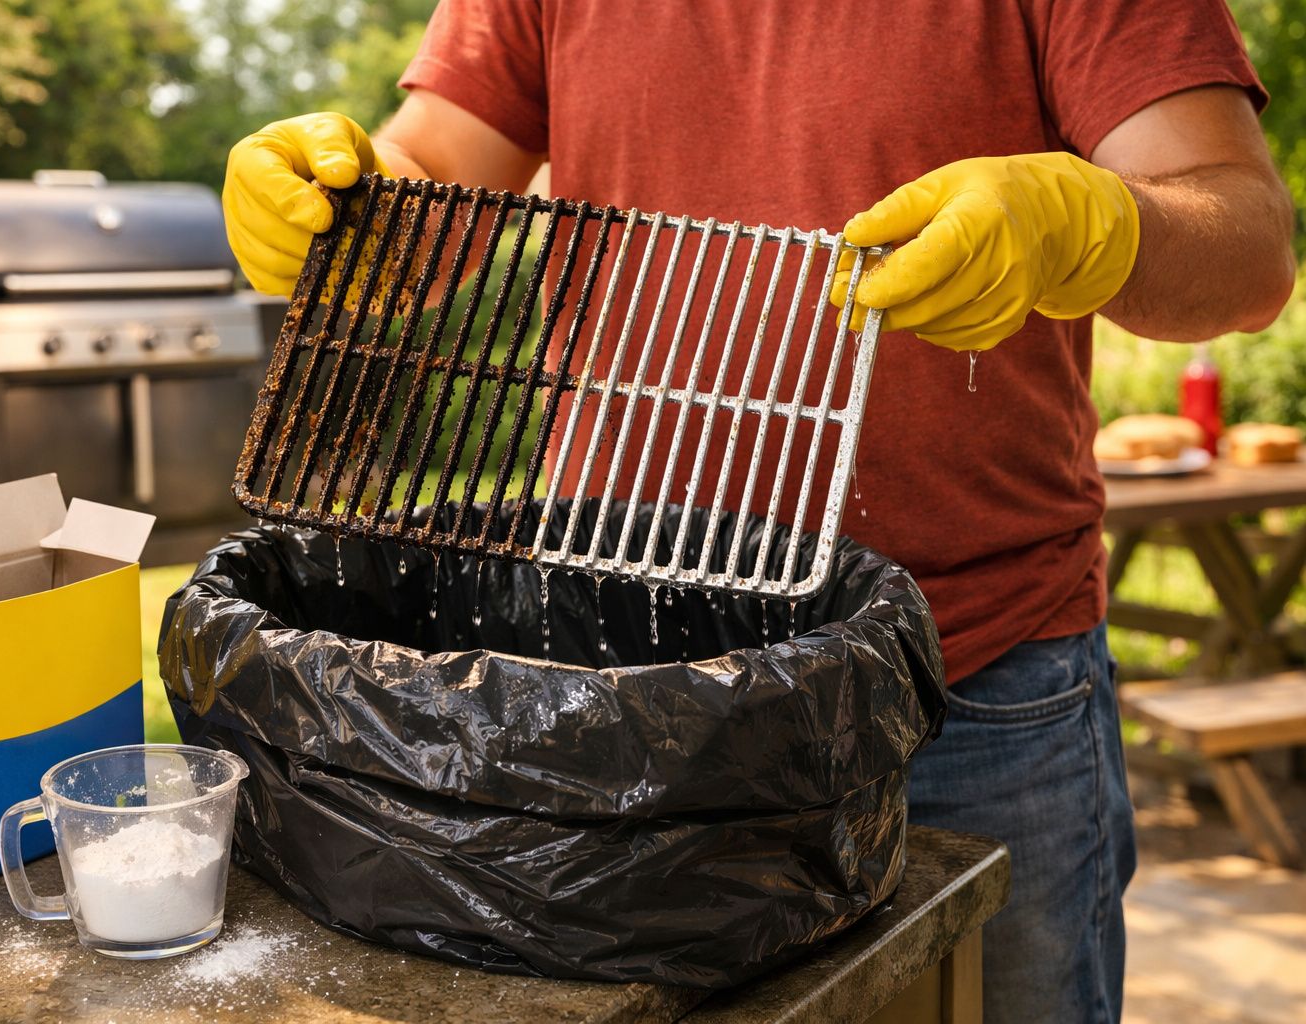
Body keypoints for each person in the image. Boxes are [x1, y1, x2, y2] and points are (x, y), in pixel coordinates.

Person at [221, 2, 1296, 1019]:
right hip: (618, 701)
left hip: (969, 689)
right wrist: (345, 200)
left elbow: (1246, 243)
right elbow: (436, 172)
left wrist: (1099, 227)